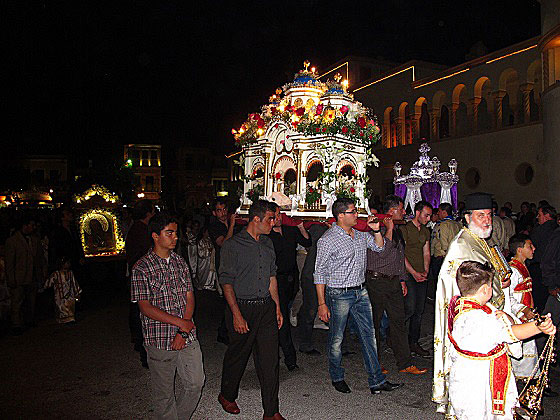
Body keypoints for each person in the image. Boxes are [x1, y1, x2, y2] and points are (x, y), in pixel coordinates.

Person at [433, 192, 511, 415]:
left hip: (488, 311)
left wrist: (499, 281)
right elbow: (459, 287)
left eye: (489, 215)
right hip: (472, 319)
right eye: (480, 216)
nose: (486, 220)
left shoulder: (479, 240)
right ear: (467, 218)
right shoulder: (461, 245)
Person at [315, 198, 402, 394]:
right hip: (338, 293)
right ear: (340, 216)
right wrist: (322, 303)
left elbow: (379, 248)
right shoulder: (327, 240)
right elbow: (319, 272)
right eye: (353, 212)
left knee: (370, 335)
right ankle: (337, 376)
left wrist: (377, 229)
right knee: (337, 338)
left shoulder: (361, 235)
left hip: (361, 291)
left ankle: (377, 381)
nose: (357, 215)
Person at [447, 261, 556, 420]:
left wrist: (506, 317)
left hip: (472, 373)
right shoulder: (476, 318)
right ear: (485, 289)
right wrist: (539, 327)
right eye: (491, 285)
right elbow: (511, 333)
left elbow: (503, 326)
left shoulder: (466, 304)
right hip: (477, 381)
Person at [131, 212, 204, 420]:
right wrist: (180, 322)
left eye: (175, 233)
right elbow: (145, 307)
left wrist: (182, 329)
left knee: (195, 383)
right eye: (169, 233)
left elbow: (190, 297)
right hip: (159, 338)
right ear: (155, 236)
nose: (175, 237)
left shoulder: (180, 262)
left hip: (186, 334)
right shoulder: (141, 268)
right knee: (163, 396)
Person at [218, 200, 285, 420]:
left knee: (269, 360)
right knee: (238, 355)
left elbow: (271, 277)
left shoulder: (267, 244)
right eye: (270, 218)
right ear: (256, 219)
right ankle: (227, 395)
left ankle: (271, 411)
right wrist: (236, 314)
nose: (273, 222)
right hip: (242, 306)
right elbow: (226, 281)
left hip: (265, 306)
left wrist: (276, 307)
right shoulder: (233, 245)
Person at [366, 195, 427, 375]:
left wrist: (402, 278)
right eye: (400, 209)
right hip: (376, 281)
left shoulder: (398, 228)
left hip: (393, 281)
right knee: (374, 324)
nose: (404, 212)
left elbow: (399, 256)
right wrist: (389, 229)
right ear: (391, 211)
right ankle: (374, 362)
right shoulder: (374, 228)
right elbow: (383, 252)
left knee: (399, 322)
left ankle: (405, 363)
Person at [267, 206, 311, 371]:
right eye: (275, 215)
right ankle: (288, 358)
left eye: (280, 214)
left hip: (290, 279)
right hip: (275, 280)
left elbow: (307, 242)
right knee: (281, 317)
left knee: (281, 315)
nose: (278, 218)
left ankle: (281, 352)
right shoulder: (267, 235)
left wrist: (300, 226)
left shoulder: (290, 230)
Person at [400, 200, 433, 357]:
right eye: (426, 215)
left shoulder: (425, 231)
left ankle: (413, 341)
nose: (428, 218)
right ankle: (397, 337)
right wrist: (413, 272)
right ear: (418, 213)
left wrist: (425, 270)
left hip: (421, 273)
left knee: (419, 310)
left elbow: (426, 252)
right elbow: (401, 254)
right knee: (410, 308)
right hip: (409, 273)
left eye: (430, 216)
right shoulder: (405, 229)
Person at [505, 234, 540, 381]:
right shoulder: (512, 270)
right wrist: (523, 310)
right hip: (517, 317)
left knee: (529, 349)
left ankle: (530, 382)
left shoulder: (523, 267)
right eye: (529, 246)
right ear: (519, 250)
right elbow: (508, 296)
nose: (533, 249)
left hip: (526, 315)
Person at [125, 199, 155, 368]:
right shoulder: (140, 230)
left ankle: (138, 340)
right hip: (141, 275)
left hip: (138, 273)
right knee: (142, 310)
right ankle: (143, 347)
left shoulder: (139, 228)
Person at [5, 216, 46, 335]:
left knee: (31, 299)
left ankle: (29, 319)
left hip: (32, 275)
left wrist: (41, 272)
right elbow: (9, 262)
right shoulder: (12, 241)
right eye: (31, 225)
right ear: (25, 225)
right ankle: (16, 324)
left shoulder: (35, 240)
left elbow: (39, 257)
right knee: (17, 301)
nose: (33, 228)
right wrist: (11, 278)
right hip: (19, 276)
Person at [208, 198, 238, 345]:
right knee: (229, 299)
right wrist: (232, 225)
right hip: (225, 266)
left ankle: (225, 330)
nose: (223, 213)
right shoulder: (214, 226)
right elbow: (224, 244)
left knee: (234, 298)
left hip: (236, 264)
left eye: (225, 209)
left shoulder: (234, 223)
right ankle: (224, 332)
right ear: (214, 212)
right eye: (219, 210)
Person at [298, 222, 329, 355]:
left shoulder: (324, 231)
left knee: (311, 309)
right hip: (312, 275)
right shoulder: (319, 231)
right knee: (310, 309)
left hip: (321, 275)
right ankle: (305, 343)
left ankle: (339, 345)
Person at [529, 205, 558, 311]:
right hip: (551, 273)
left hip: (541, 270)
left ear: (547, 215)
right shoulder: (555, 229)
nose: (537, 217)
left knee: (540, 303)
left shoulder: (543, 230)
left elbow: (547, 257)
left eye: (539, 215)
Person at [430, 202, 461, 298]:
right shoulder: (457, 224)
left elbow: (444, 242)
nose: (438, 214)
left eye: (439, 211)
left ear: (444, 212)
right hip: (455, 256)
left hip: (441, 257)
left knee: (440, 282)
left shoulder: (443, 225)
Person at [44, 256, 81, 324]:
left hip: (70, 294)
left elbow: (74, 282)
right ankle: (63, 319)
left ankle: (70, 319)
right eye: (67, 263)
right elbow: (49, 282)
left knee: (70, 305)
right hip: (60, 295)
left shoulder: (70, 273)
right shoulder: (56, 274)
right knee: (61, 306)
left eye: (69, 263)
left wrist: (77, 293)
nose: (68, 264)